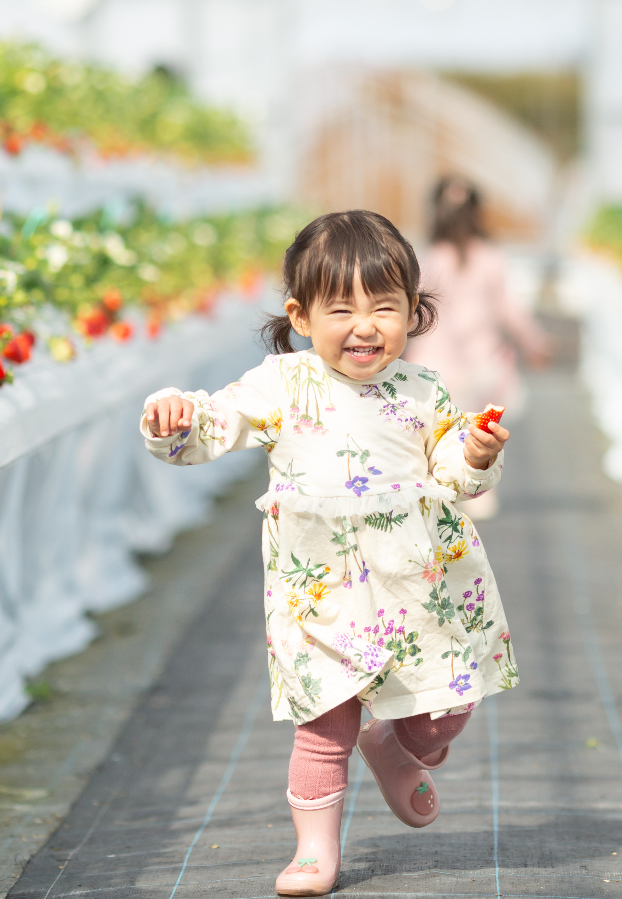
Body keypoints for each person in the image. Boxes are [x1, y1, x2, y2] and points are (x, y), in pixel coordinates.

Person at [141, 210, 520, 896]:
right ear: (302, 315)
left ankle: (399, 745)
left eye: (385, 306)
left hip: (416, 585)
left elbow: (453, 478)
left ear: (414, 312)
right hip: (320, 590)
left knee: (448, 706)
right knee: (324, 726)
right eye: (341, 308)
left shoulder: (422, 391)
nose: (365, 325)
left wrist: (474, 452)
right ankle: (316, 851)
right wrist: (177, 417)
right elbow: (215, 425)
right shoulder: (282, 385)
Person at [408, 177, 551, 519]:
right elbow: (509, 308)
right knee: (480, 432)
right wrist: (536, 342)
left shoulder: (427, 258)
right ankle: (479, 491)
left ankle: (438, 489)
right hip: (482, 361)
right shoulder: (489, 257)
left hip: (434, 361)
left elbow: (412, 310)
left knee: (435, 432)